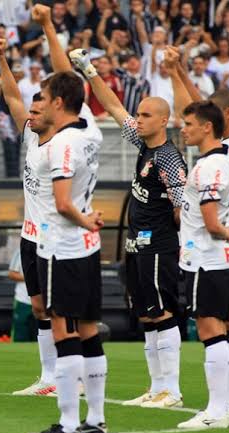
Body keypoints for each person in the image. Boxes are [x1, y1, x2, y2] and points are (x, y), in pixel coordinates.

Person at [71, 46, 186, 409]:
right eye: (140, 113)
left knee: (162, 311)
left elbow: (185, 205)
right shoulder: (142, 143)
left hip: (159, 244)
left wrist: (184, 239)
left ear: (163, 120)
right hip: (137, 244)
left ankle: (172, 388)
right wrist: (89, 71)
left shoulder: (167, 156)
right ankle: (156, 387)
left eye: (146, 115)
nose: (138, 119)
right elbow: (115, 107)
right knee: (146, 314)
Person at [25, 5, 107, 433]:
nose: (39, 103)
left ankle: (69, 424)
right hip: (87, 249)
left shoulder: (61, 146)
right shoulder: (89, 130)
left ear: (57, 104)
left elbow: (60, 203)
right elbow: (69, 82)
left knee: (63, 330)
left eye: (44, 97)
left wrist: (85, 219)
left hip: (63, 245)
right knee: (90, 330)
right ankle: (95, 422)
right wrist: (48, 28)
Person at [170, 59, 229, 418]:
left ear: (224, 116)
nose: (186, 127)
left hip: (227, 244)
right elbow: (200, 110)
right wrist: (178, 71)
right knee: (227, 320)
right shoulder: (226, 145)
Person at [0, 14, 60, 398]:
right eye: (30, 113)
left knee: (62, 311)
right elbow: (11, 97)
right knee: (39, 309)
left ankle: (74, 376)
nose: (30, 116)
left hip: (56, 239)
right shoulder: (32, 139)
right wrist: (2, 59)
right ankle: (48, 377)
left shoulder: (62, 145)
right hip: (30, 237)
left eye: (37, 113)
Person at [173, 100, 229, 430]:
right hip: (214, 260)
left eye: (188, 123)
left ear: (206, 127)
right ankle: (222, 407)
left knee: (210, 332)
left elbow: (213, 224)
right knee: (218, 332)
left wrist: (227, 232)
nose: (183, 129)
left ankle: (216, 411)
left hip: (205, 260)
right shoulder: (219, 161)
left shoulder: (208, 167)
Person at [8, 248, 35, 342]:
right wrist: (31, 278)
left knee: (40, 336)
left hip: (43, 301)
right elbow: (12, 274)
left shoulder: (49, 247)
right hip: (23, 300)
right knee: (20, 337)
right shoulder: (20, 251)